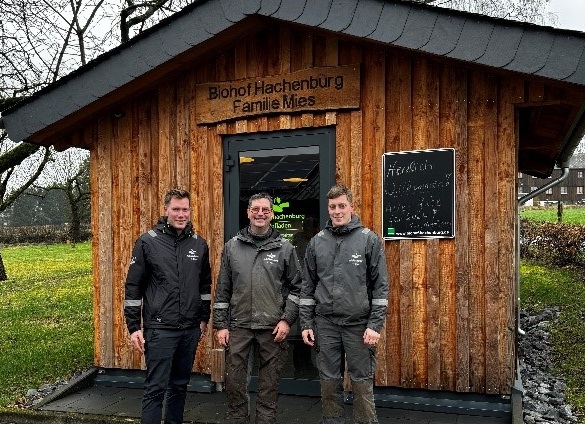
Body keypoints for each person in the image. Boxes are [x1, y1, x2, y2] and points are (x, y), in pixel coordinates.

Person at [300, 184, 389, 424]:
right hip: (326, 324)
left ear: (351, 206)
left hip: (359, 325)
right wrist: (306, 322)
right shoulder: (317, 242)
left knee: (361, 381)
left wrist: (375, 325)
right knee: (329, 380)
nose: (337, 211)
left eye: (342, 206)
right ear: (328, 209)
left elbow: (381, 288)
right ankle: (332, 421)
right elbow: (307, 286)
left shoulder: (368, 240)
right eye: (332, 207)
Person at [124, 188, 212, 424]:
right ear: (165, 210)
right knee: (155, 389)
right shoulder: (147, 242)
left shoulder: (199, 244)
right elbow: (133, 288)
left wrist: (203, 319)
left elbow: (205, 286)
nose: (181, 214)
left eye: (185, 209)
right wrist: (134, 327)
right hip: (159, 329)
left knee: (180, 386)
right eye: (176, 209)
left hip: (190, 330)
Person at [213, 192, 302, 424]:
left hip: (272, 327)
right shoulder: (232, 247)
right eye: (255, 209)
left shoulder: (285, 248)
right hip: (239, 326)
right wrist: (221, 324)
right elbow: (223, 289)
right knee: (234, 383)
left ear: (272, 214)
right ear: (248, 213)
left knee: (269, 386)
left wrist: (286, 320)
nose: (260, 213)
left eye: (265, 209)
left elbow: (297, 288)